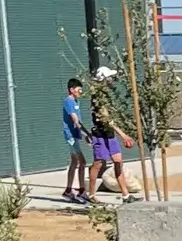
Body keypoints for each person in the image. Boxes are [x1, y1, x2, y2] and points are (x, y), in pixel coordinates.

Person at [86, 69, 139, 203]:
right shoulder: (98, 97)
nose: (111, 80)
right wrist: (123, 134)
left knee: (118, 162)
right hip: (100, 135)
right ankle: (91, 194)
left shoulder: (106, 95)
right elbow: (106, 119)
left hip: (109, 134)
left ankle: (126, 195)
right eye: (109, 78)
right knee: (98, 164)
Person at [60, 78, 92, 204]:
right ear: (71, 89)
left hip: (75, 135)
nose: (80, 91)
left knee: (75, 162)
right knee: (82, 162)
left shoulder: (76, 101)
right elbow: (75, 120)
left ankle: (68, 191)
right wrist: (87, 134)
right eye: (78, 89)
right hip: (71, 136)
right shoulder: (68, 101)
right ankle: (82, 191)